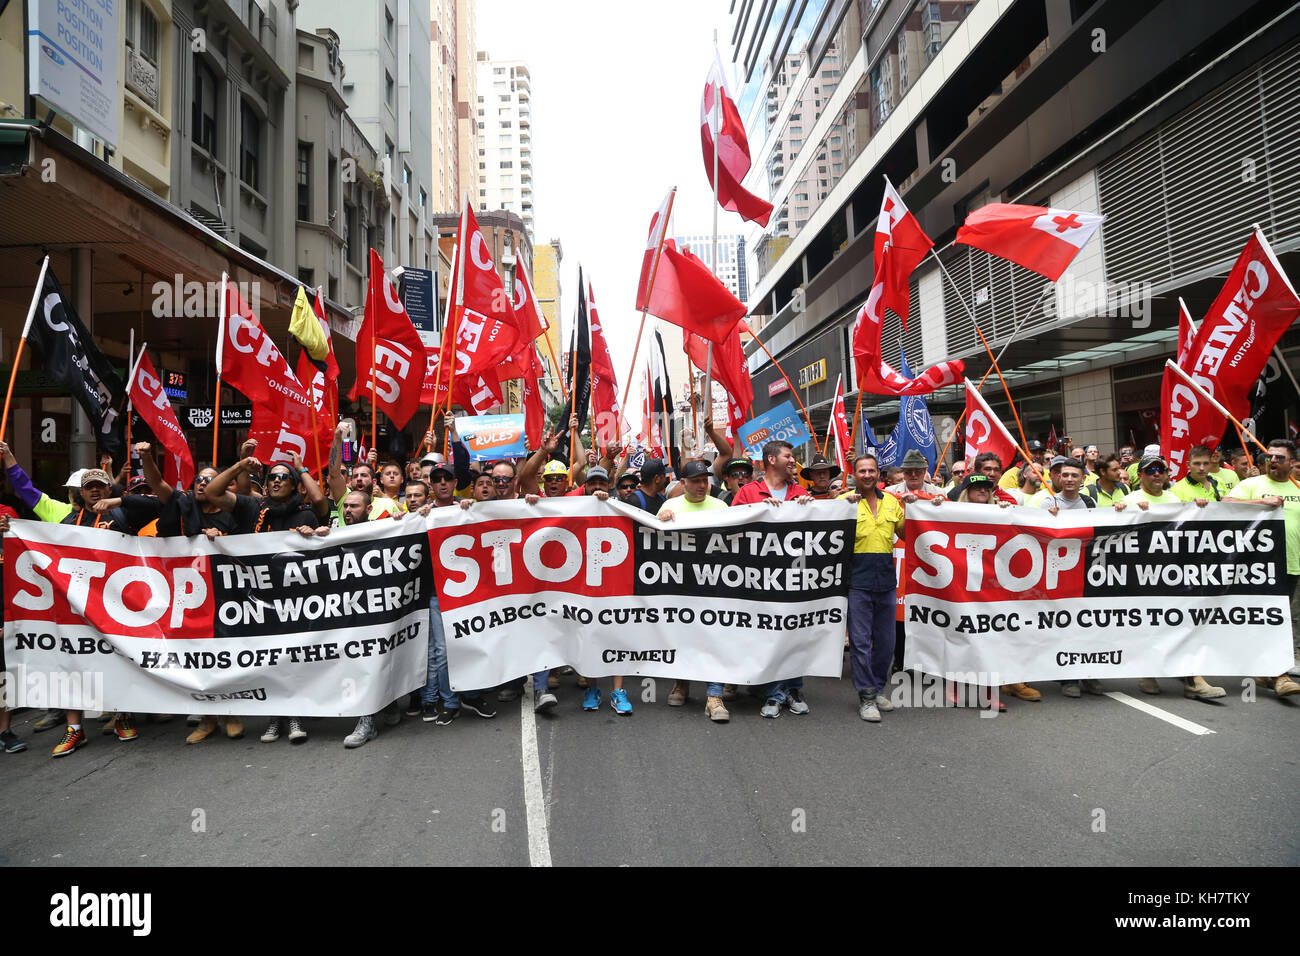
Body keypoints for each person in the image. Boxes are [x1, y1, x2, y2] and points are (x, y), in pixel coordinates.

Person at [206, 455, 328, 743]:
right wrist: (239, 467)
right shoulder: (252, 507)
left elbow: (321, 501)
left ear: (296, 486)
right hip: (258, 601)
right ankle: (275, 716)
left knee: (293, 659)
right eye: (272, 476)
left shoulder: (306, 514)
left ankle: (295, 715)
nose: (276, 480)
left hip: (295, 601)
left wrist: (312, 535)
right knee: (271, 659)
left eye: (284, 477)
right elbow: (212, 492)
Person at [1114, 454, 1223, 700]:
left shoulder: (1174, 498)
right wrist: (1123, 510)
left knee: (1180, 623)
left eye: (1160, 470)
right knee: (1148, 625)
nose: (1156, 474)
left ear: (1166, 475)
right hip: (1141, 576)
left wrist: (1197, 509)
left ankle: (1193, 680)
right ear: (1139, 475)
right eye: (1150, 470)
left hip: (1173, 574)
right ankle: (1148, 672)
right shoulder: (1130, 499)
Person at [731, 440, 813, 716]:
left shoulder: (801, 491)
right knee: (769, 634)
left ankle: (790, 690)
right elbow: (732, 529)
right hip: (759, 579)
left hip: (795, 578)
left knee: (794, 632)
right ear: (771, 459)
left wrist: (809, 508)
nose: (793, 461)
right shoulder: (748, 493)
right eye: (789, 456)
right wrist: (758, 513)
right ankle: (776, 693)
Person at [1226, 439, 1300, 697]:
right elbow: (1225, 505)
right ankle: (1281, 674)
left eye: (1280, 457)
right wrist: (1262, 504)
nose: (1273, 461)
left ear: (1292, 462)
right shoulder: (1252, 485)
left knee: (1285, 618)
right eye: (1270, 456)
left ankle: (1267, 669)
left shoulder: (1298, 487)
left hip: (1294, 564)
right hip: (1263, 566)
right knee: (1277, 618)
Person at [659, 460, 732, 721]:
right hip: (681, 585)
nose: (703, 485)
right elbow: (654, 542)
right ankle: (682, 683)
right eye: (696, 481)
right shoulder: (670, 506)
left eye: (706, 480)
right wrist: (660, 521)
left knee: (715, 637)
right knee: (683, 635)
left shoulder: (721, 506)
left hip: (715, 585)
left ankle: (715, 696)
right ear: (683, 484)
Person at [838, 454, 904, 723]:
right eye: (862, 471)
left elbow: (908, 532)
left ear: (879, 474)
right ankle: (866, 696)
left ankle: (877, 688)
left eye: (872, 470)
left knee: (886, 643)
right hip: (857, 580)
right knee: (861, 642)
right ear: (854, 475)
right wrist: (841, 509)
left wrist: (928, 509)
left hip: (887, 581)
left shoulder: (892, 502)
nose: (867, 475)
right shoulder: (842, 503)